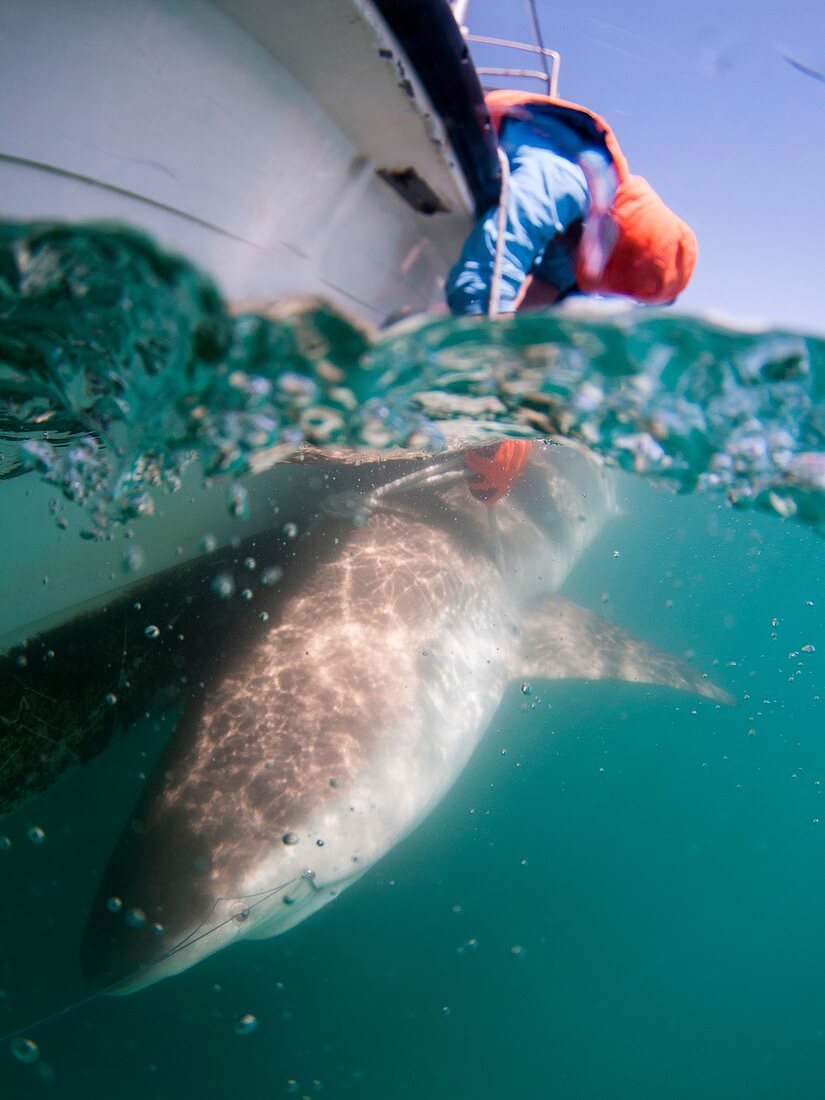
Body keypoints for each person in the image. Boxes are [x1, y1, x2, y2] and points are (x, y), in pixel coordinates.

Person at [447, 89, 698, 317]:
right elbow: (482, 283)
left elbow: (545, 295)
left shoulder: (578, 245)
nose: (588, 273)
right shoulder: (564, 179)